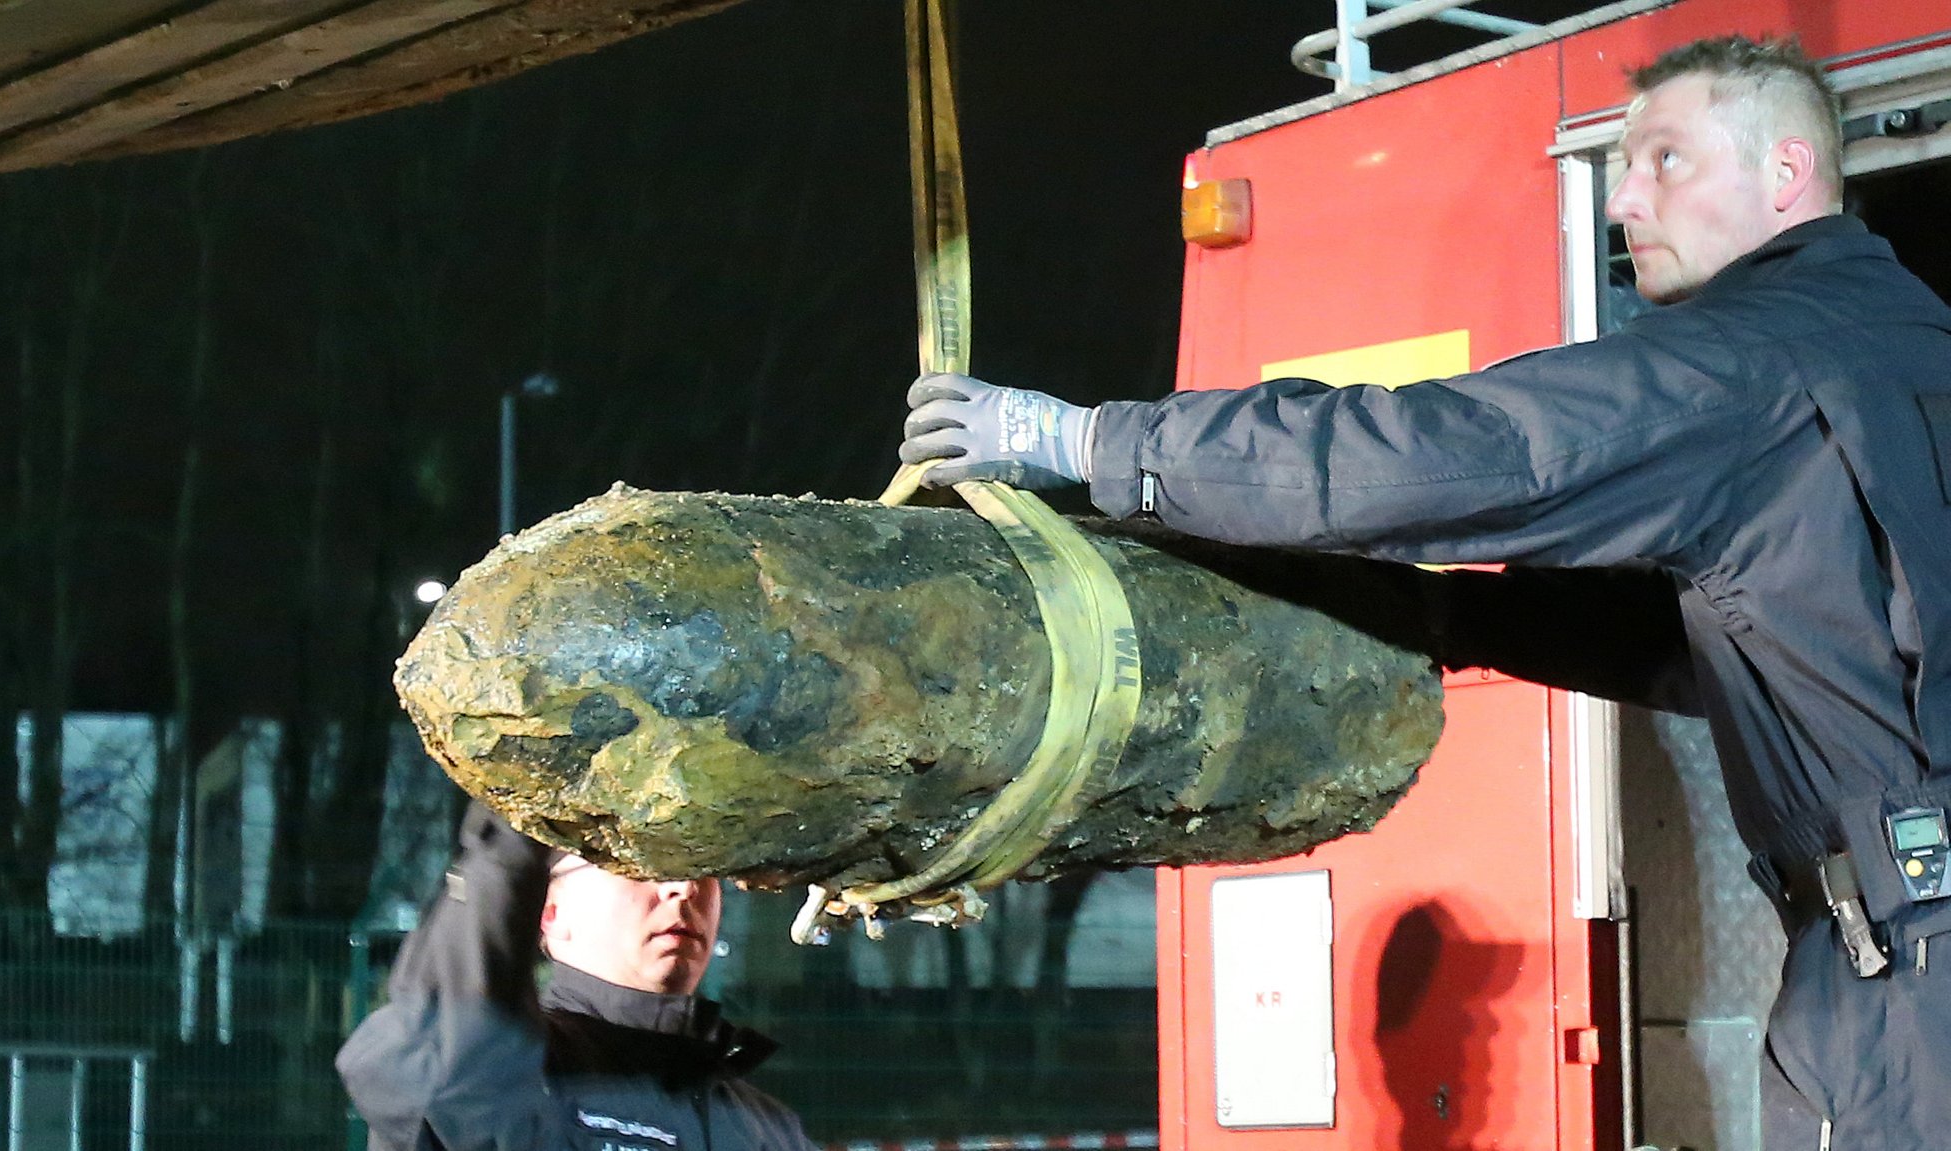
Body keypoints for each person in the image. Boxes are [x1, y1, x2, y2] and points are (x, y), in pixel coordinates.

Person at [899, 34, 1951, 1151]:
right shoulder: (1906, 350)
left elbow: (1458, 448)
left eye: (1664, 160)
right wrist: (1440, 615)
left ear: (1784, 174)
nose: (1624, 197)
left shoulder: (1746, 364)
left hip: (1901, 981)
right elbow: (1758, 640)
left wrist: (1087, 441)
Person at [337, 800, 818, 1151]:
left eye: (702, 868)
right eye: (638, 865)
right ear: (548, 911)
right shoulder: (505, 1070)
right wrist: (516, 819)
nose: (683, 888)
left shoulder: (766, 1127)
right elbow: (438, 1047)